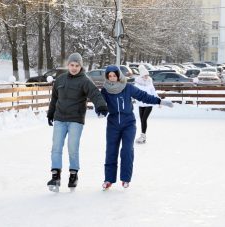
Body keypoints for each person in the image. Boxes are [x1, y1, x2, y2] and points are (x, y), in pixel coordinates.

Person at [100, 65, 173, 190]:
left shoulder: (128, 88)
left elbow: (143, 96)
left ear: (119, 75)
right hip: (112, 125)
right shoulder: (105, 90)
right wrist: (100, 110)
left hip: (128, 123)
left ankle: (125, 179)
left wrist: (160, 101)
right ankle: (109, 179)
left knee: (127, 151)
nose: (112, 78)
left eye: (114, 75)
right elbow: (100, 103)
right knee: (111, 151)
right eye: (110, 76)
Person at [46, 53, 108, 192]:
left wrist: (101, 106)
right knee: (56, 147)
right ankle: (55, 176)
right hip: (60, 119)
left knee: (72, 148)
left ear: (81, 66)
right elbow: (54, 99)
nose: (74, 68)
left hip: (75, 120)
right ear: (68, 65)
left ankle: (73, 175)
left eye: (77, 65)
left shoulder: (85, 81)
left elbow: (95, 94)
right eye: (72, 65)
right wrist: (50, 113)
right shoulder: (60, 80)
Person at [134, 65, 158, 144]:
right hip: (141, 104)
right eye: (145, 75)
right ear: (141, 76)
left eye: (147, 75)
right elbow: (134, 92)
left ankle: (143, 136)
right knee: (142, 120)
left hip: (149, 104)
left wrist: (158, 100)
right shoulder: (137, 83)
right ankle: (142, 136)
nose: (146, 77)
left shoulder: (149, 82)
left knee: (144, 119)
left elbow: (153, 92)